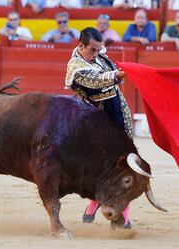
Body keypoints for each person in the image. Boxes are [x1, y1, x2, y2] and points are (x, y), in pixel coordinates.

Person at [65, 27, 133, 229]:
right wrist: (115, 76)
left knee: (124, 166)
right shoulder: (76, 68)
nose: (97, 54)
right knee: (109, 169)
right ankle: (111, 210)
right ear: (81, 46)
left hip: (120, 115)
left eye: (98, 50)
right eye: (92, 50)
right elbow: (96, 81)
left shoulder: (98, 54)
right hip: (99, 125)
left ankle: (105, 208)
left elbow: (108, 70)